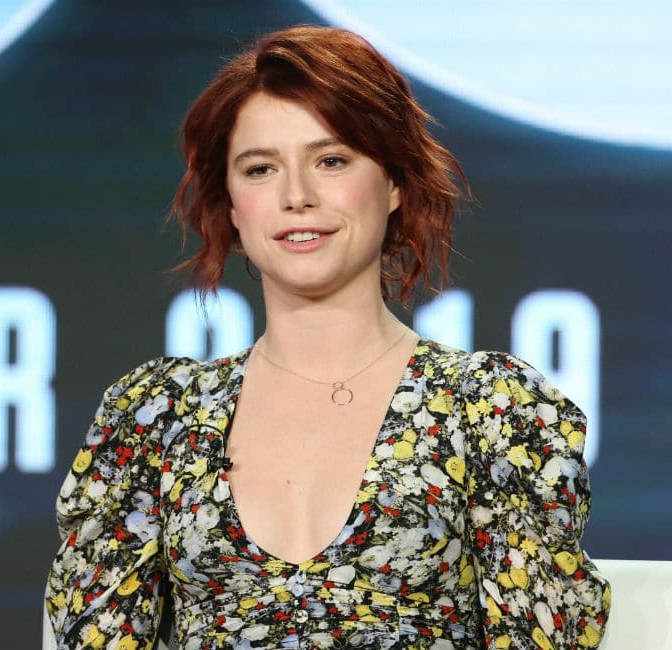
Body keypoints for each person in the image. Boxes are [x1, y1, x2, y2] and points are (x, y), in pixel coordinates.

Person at [45, 25, 610, 650]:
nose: (296, 196)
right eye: (261, 169)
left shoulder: (488, 409)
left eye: (331, 161)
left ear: (393, 182)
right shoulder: (157, 417)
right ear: (230, 205)